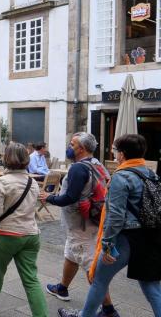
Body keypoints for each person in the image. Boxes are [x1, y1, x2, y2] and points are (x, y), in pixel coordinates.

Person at [58, 134, 161, 317]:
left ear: (122, 154)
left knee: (99, 280)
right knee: (151, 286)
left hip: (125, 239)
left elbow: (115, 216)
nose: (115, 154)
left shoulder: (122, 176)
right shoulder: (151, 174)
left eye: (115, 151)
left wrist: (107, 245)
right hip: (149, 238)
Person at [41, 133, 117, 316]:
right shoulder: (98, 165)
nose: (69, 146)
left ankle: (108, 309)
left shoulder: (77, 169)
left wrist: (49, 197)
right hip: (95, 218)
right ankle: (62, 287)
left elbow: (69, 198)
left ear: (81, 148)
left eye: (72, 144)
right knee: (71, 254)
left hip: (80, 223)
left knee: (90, 267)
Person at [0, 143, 47, 316]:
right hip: (31, 234)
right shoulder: (32, 182)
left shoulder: (2, 182)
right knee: (31, 279)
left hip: (7, 234)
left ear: (7, 159)